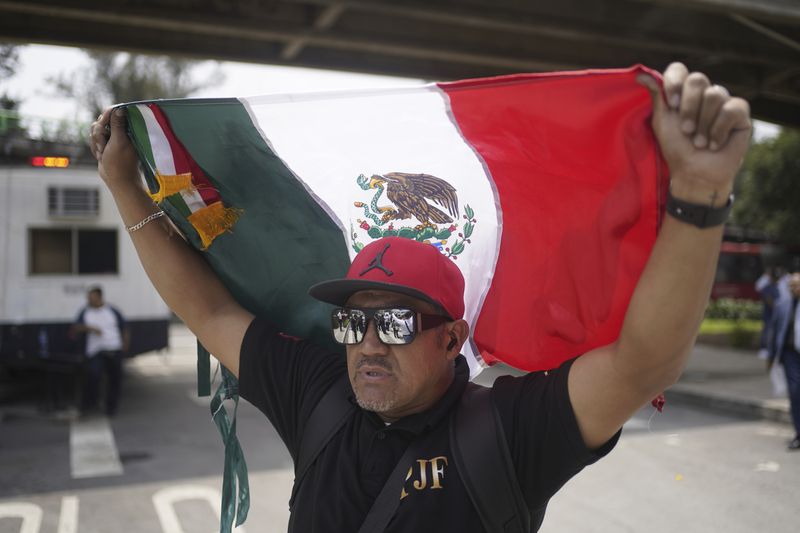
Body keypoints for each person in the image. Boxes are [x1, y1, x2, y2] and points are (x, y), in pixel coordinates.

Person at [89, 62, 751, 531]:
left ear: (452, 339)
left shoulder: (507, 433)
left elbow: (642, 364)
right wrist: (123, 184)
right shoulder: (319, 395)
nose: (368, 342)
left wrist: (698, 190)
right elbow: (207, 310)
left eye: (396, 321)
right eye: (352, 322)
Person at [70, 286, 129, 416]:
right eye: (88, 298)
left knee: (115, 380)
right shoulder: (85, 312)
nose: (90, 300)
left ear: (100, 297)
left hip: (114, 348)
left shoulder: (112, 311)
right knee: (93, 376)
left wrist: (125, 345)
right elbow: (75, 328)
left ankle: (111, 408)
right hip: (96, 350)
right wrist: (89, 328)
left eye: (92, 297)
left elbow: (124, 327)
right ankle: (90, 404)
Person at [767, 272, 800, 450]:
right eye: (791, 286)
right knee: (795, 393)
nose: (793, 289)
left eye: (796, 286)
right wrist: (771, 357)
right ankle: (798, 433)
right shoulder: (783, 305)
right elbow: (774, 332)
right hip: (791, 355)